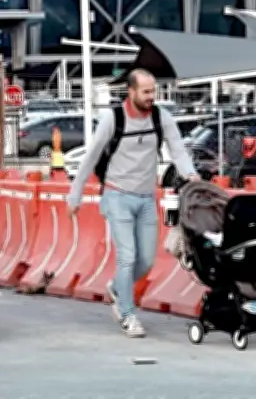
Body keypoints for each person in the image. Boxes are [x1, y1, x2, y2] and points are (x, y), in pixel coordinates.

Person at [67, 68, 200, 338]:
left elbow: (178, 150)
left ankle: (117, 287)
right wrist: (75, 195)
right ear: (131, 91)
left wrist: (192, 176)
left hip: (147, 198)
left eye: (154, 91)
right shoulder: (112, 119)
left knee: (146, 261)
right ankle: (128, 314)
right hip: (118, 196)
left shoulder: (161, 118)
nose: (152, 97)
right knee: (127, 257)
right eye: (146, 92)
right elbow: (91, 157)